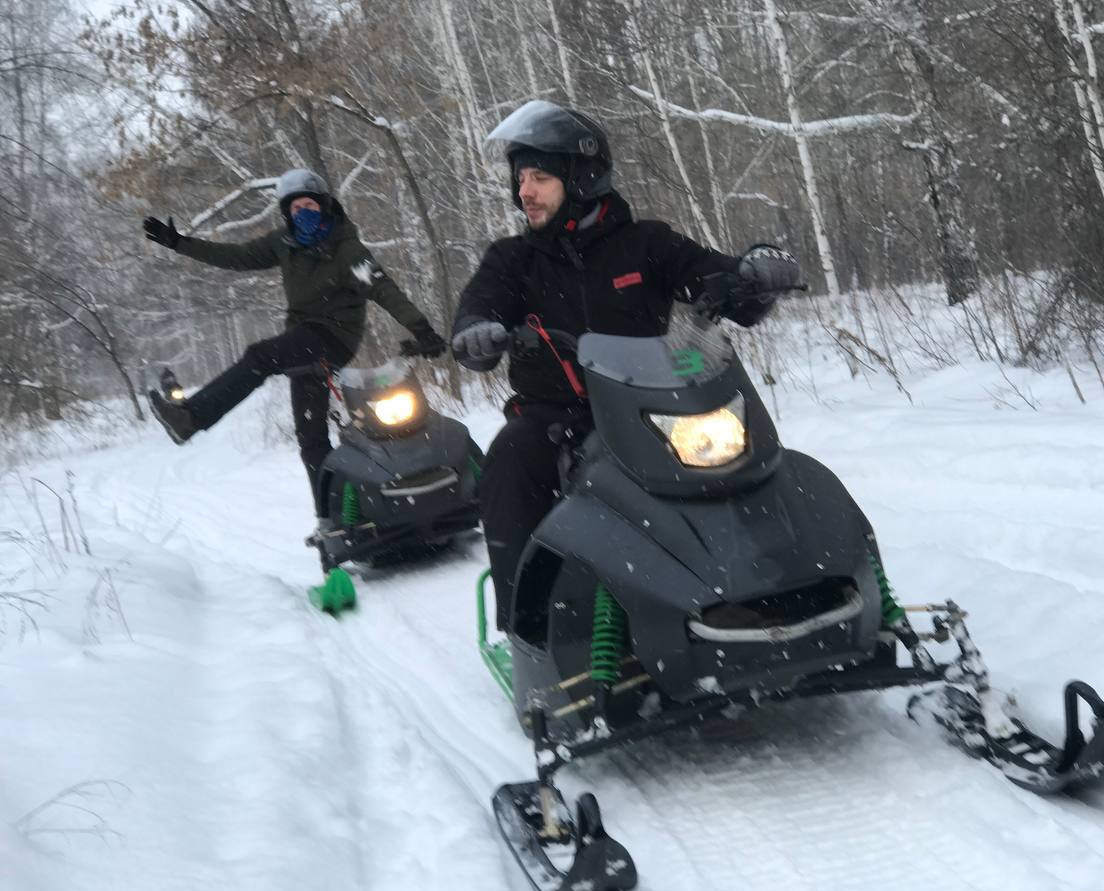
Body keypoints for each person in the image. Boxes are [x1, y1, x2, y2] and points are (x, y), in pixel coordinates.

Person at [451, 101, 802, 631]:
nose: (524, 191)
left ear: (582, 175)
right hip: (558, 420)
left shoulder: (647, 245)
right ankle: (528, 621)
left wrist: (755, 274)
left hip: (654, 409)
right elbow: (480, 305)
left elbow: (721, 283)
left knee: (746, 457)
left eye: (540, 176)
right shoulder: (512, 259)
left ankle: (778, 578)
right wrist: (476, 330)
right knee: (509, 458)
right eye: (521, 178)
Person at [142, 169, 446, 526]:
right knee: (311, 439)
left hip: (333, 339)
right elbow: (235, 256)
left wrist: (420, 328)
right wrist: (180, 243)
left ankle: (191, 417)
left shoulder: (346, 250)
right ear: (286, 214)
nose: (304, 212)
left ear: (326, 207)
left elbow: (382, 288)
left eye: (311, 205)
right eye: (296, 207)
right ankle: (333, 522)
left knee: (261, 356)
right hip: (302, 343)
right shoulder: (284, 244)